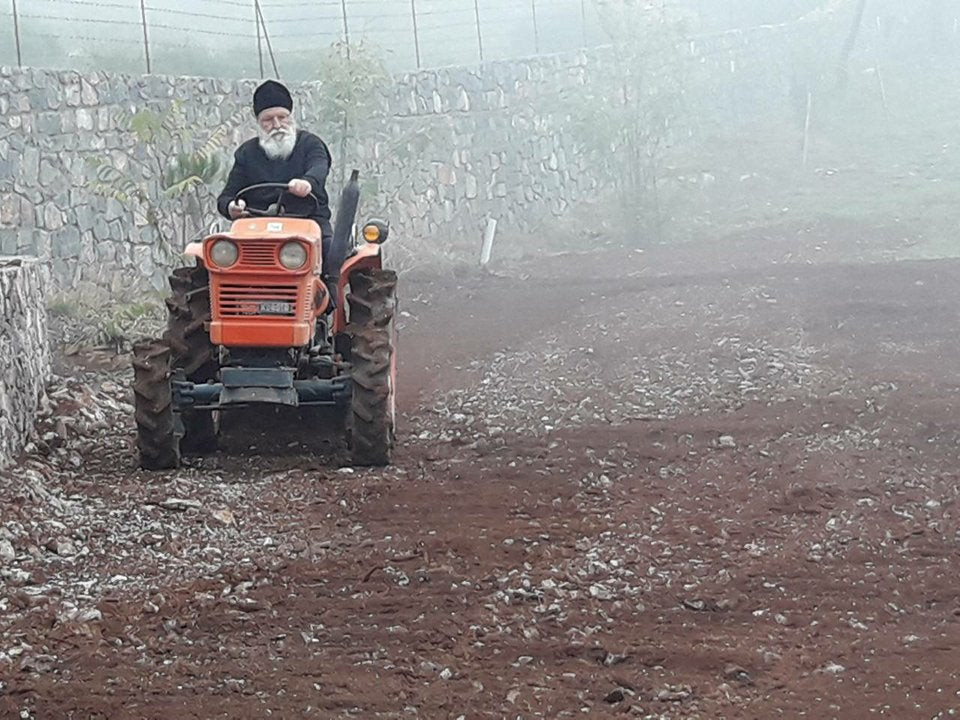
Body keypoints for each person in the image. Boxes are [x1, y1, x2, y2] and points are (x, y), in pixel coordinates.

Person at [217, 80, 337, 282]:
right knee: (217, 256)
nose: (277, 125)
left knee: (332, 254)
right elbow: (227, 196)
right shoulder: (247, 153)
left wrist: (306, 183)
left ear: (291, 117)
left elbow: (318, 167)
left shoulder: (311, 144)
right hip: (256, 227)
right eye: (268, 120)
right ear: (258, 122)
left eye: (282, 117)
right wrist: (231, 207)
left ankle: (329, 297)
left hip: (307, 221)